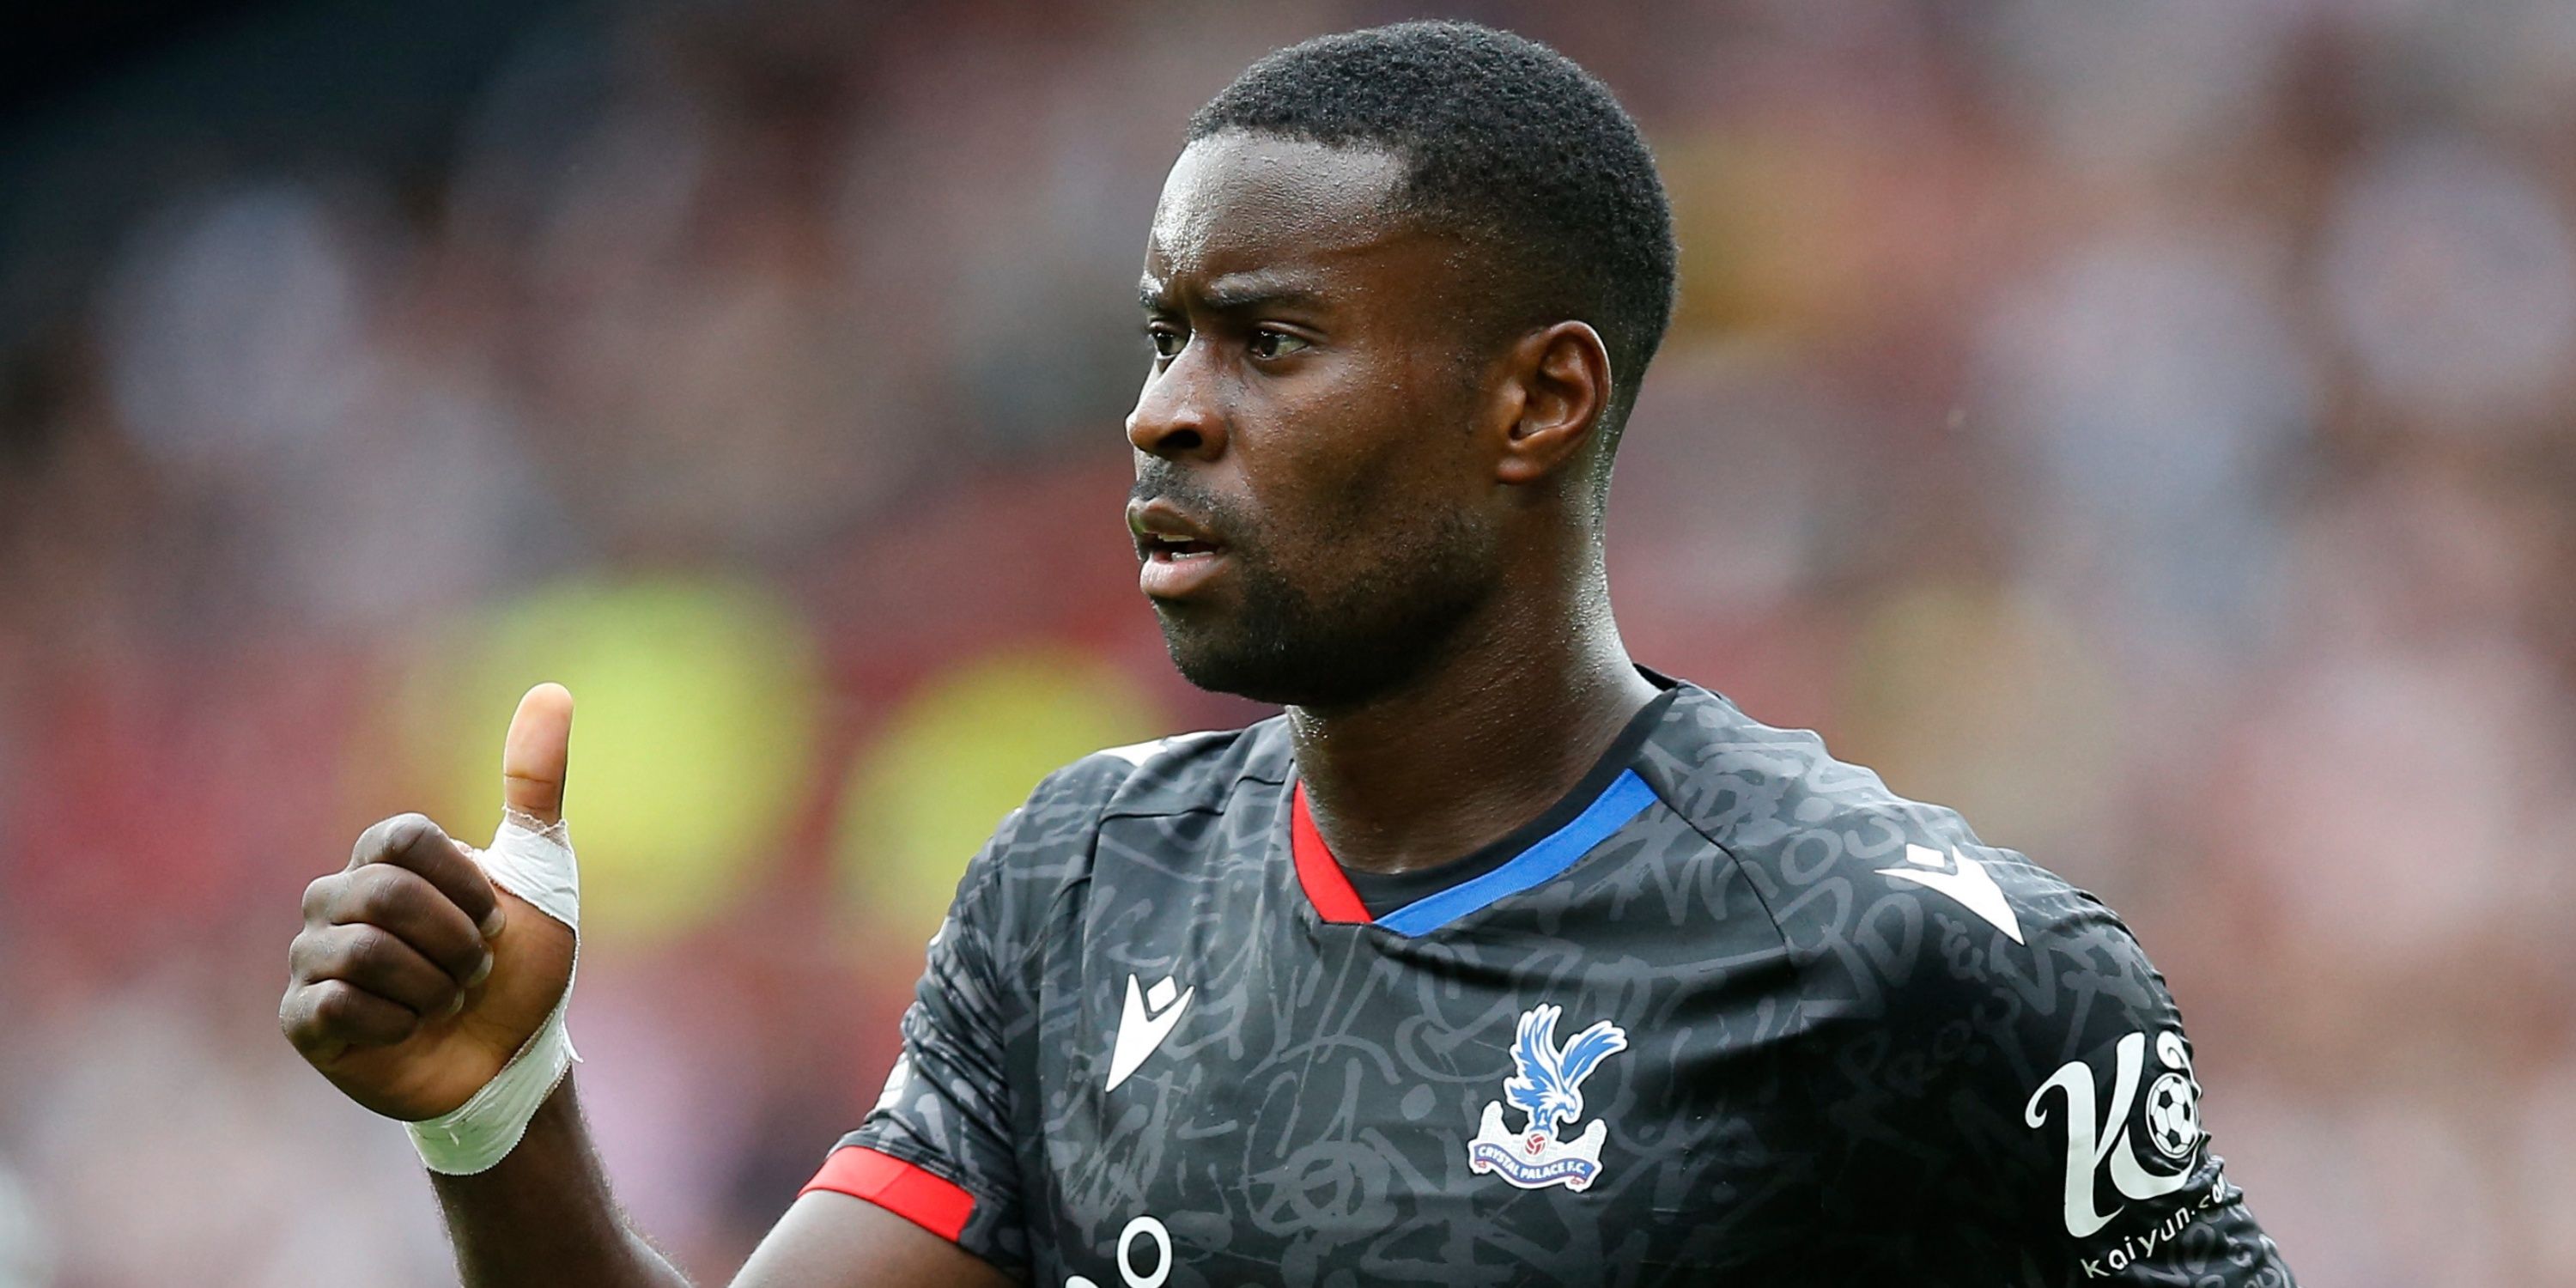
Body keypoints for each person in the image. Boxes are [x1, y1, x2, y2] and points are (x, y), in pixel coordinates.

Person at [280, 21, 2297, 1287]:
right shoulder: (1074, 892)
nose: (1163, 410)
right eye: (1165, 334)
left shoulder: (1908, 958)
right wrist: (495, 1111)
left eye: (1268, 340)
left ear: (1539, 403)